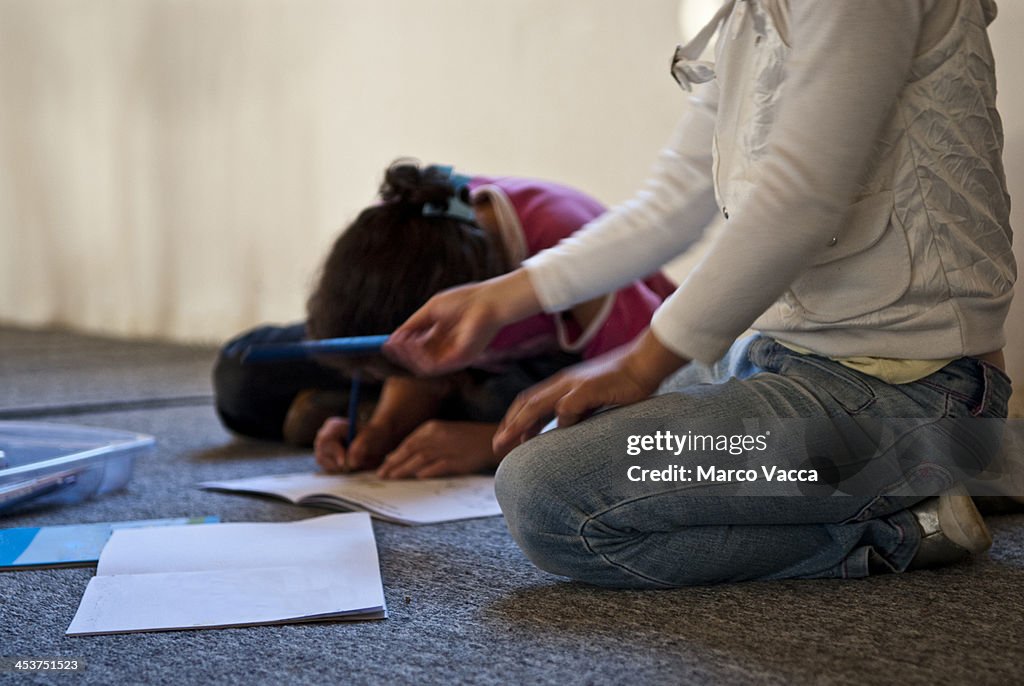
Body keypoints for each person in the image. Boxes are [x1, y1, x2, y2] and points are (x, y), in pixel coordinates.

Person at [384, 0, 1016, 587]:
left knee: (547, 497)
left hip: (909, 395)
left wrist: (642, 364)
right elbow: (673, 198)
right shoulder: (748, 16)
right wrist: (500, 298)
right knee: (577, 420)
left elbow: (799, 200)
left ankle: (907, 524)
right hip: (776, 360)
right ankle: (943, 474)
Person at [213, 161, 675, 478]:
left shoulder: (573, 248)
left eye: (395, 370)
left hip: (577, 360)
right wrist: (383, 428)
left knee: (507, 405)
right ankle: (407, 411)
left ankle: (453, 413)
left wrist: (488, 444)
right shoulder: (404, 228)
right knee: (243, 375)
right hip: (469, 362)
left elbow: (647, 397)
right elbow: (408, 344)